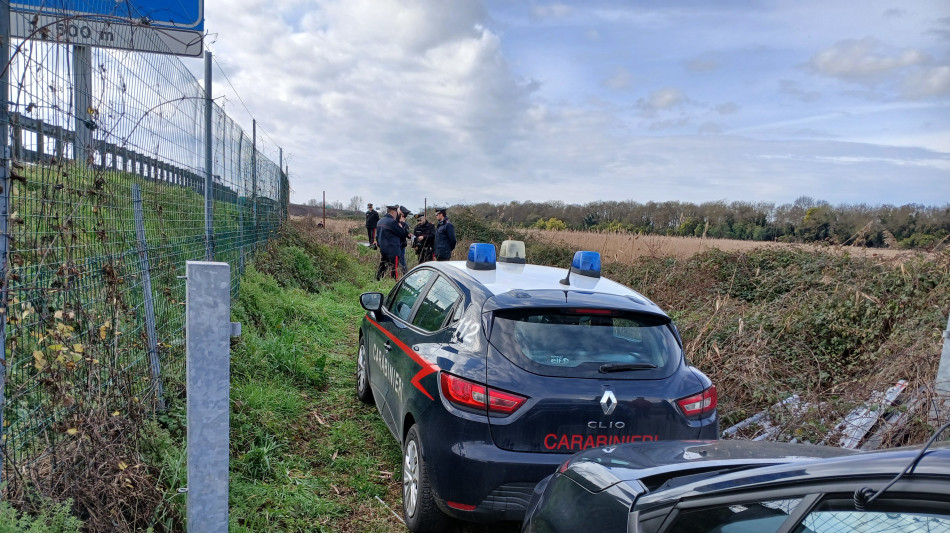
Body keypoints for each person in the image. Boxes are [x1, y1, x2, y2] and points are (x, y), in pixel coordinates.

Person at [375, 205, 408, 280]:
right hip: (393, 250)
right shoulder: (392, 222)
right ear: (393, 212)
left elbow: (377, 236)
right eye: (396, 212)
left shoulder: (380, 221)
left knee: (382, 267)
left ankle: (378, 280)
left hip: (383, 249)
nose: (397, 214)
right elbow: (402, 233)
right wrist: (402, 224)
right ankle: (394, 284)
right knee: (394, 269)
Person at [397, 206, 412, 275]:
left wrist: (408, 235)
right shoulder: (395, 221)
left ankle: (404, 274)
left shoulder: (405, 223)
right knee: (396, 261)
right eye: (403, 216)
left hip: (402, 244)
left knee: (402, 261)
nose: (404, 218)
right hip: (396, 244)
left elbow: (405, 232)